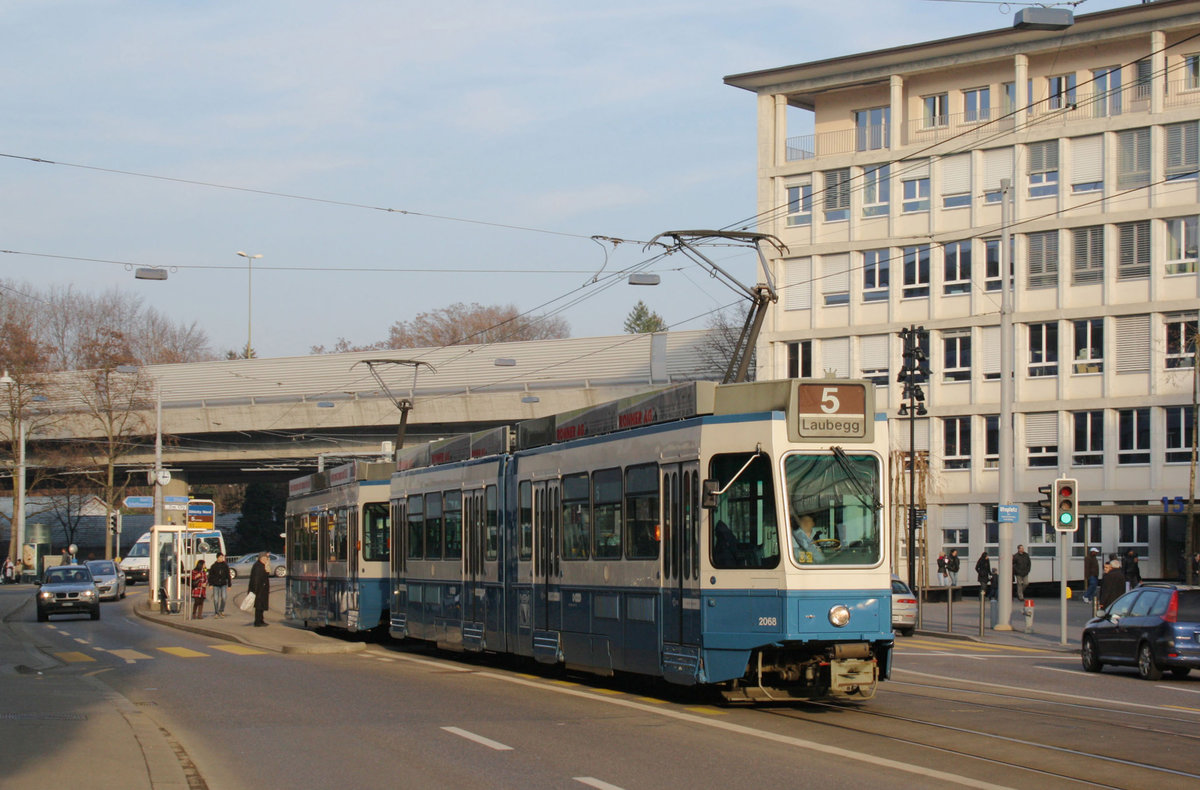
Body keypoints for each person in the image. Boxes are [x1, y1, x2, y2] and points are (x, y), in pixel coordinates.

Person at [248, 551, 271, 627]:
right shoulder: (258, 566)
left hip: (262, 589)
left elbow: (267, 573)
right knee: (259, 606)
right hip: (259, 589)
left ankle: (261, 620)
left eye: (266, 558)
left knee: (261, 606)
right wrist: (255, 589)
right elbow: (256, 579)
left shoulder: (262, 565)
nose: (265, 560)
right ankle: (257, 621)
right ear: (260, 558)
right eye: (264, 558)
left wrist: (268, 563)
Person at [207, 552, 232, 617]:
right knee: (216, 599)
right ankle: (216, 612)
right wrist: (210, 584)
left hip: (223, 584)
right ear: (217, 558)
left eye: (222, 557)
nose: (222, 558)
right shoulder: (213, 566)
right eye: (220, 557)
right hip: (215, 584)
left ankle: (221, 610)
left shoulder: (225, 565)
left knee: (224, 597)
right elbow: (211, 576)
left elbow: (228, 575)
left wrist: (229, 585)